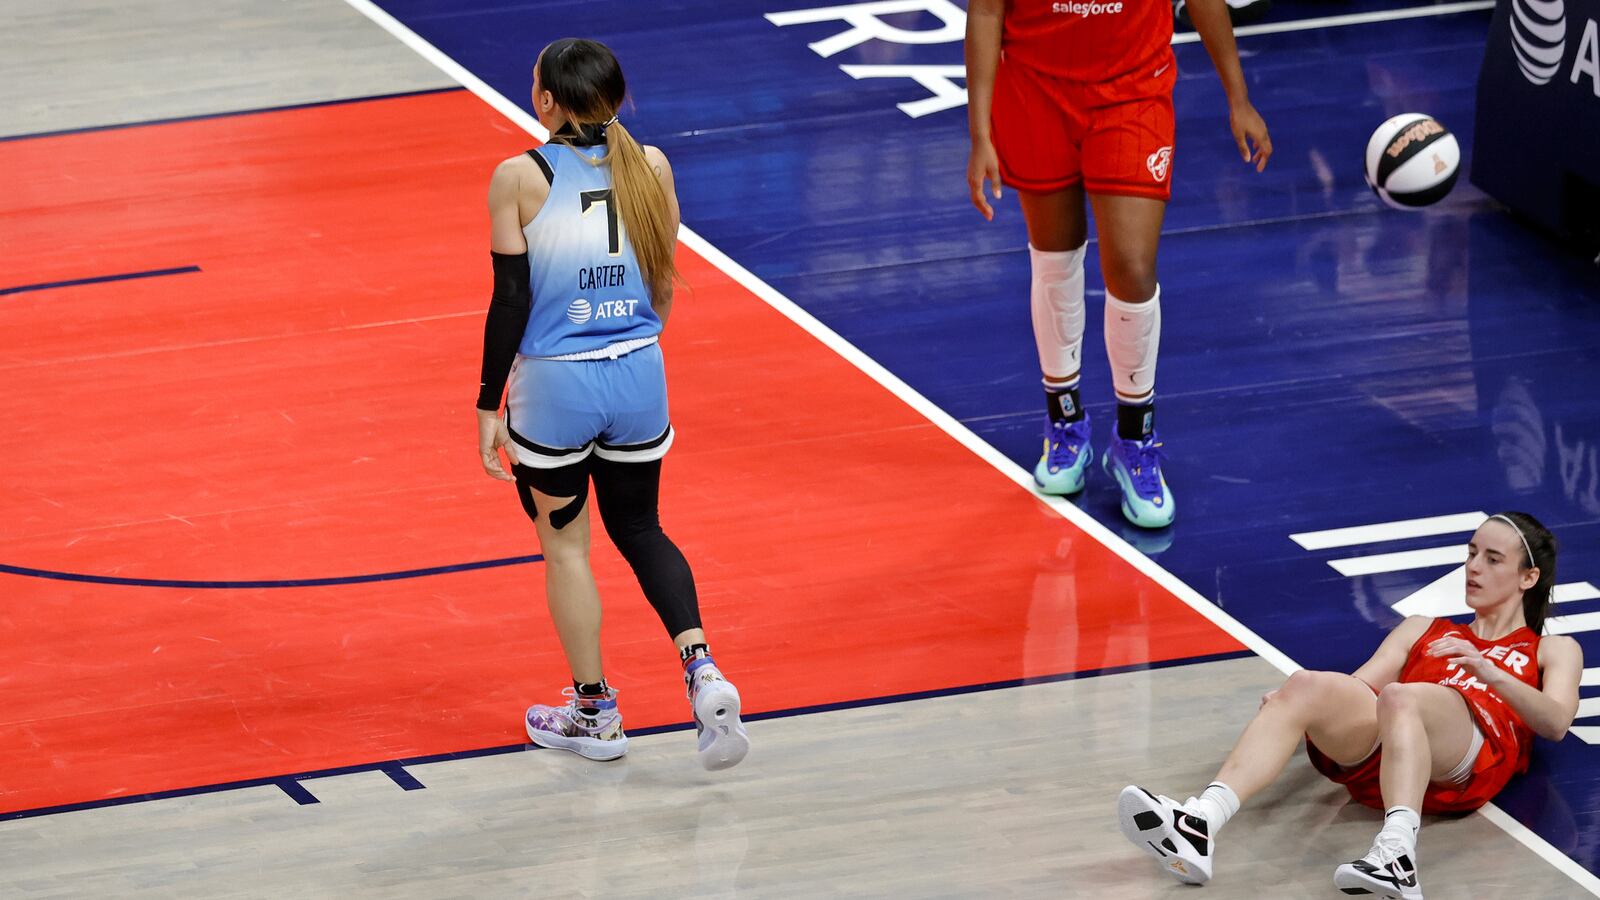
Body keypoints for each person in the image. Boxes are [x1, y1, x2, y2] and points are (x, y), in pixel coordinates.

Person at [473, 38, 748, 771]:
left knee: (567, 549)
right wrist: (634, 342)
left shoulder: (518, 177)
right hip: (639, 377)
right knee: (642, 527)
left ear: (546, 101)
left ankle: (595, 715)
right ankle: (703, 670)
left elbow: (510, 301)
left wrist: (488, 403)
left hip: (556, 389)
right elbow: (661, 280)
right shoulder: (651, 164)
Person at [1117, 512, 1583, 899]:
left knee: (1401, 696)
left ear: (1529, 577)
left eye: (1492, 559)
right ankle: (1200, 821)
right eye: (1471, 553)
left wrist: (1488, 671)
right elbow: (1360, 686)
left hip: (1470, 761)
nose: (1473, 567)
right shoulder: (1425, 628)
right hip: (1393, 751)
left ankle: (1397, 855)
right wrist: (1302, 708)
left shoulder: (1552, 649)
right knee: (1306, 684)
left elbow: (1557, 722)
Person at [965, 0, 1271, 529]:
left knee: (1131, 267)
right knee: (1054, 256)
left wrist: (1238, 97)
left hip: (1133, 89)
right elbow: (988, 12)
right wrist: (979, 135)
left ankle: (1135, 440)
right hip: (1034, 88)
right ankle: (1065, 426)